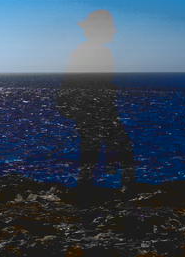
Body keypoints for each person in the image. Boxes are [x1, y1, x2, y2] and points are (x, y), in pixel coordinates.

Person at [57, 10, 136, 194]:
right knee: (117, 146)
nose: (114, 32)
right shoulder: (97, 52)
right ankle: (127, 186)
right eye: (110, 28)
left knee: (92, 146)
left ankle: (87, 184)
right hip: (92, 106)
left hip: (87, 106)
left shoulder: (86, 51)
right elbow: (93, 84)